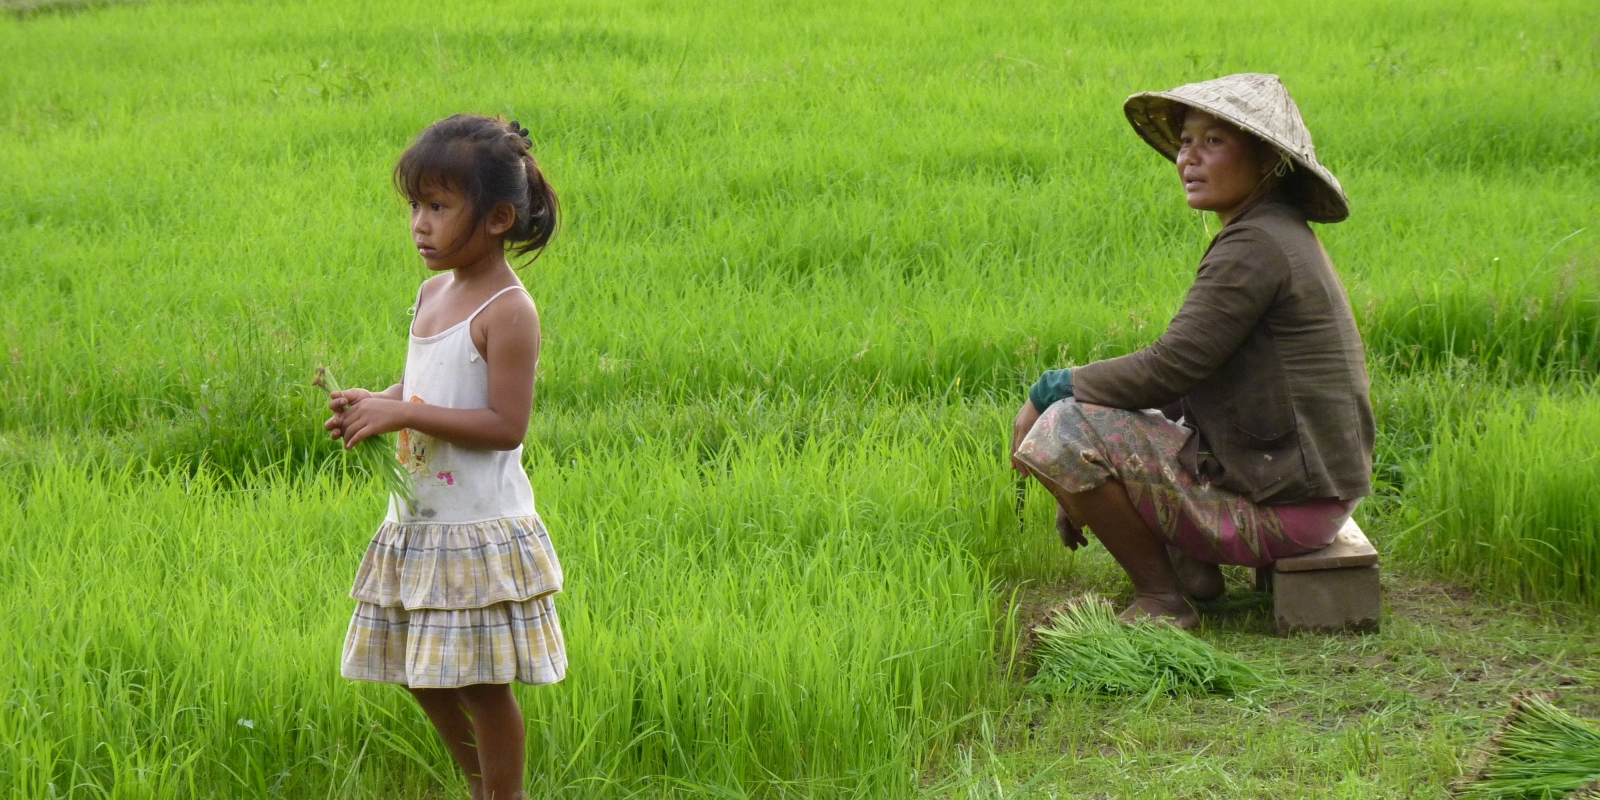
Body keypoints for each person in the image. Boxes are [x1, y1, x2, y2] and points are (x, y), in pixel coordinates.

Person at [1010, 74, 1375, 629]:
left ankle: (1162, 600)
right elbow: (1188, 382)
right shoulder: (1271, 233)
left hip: (1289, 509)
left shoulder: (1255, 246)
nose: (1189, 160)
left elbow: (1167, 368)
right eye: (1185, 142)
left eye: (1213, 142)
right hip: (1307, 491)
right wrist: (1085, 483)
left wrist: (1047, 392)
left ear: (1268, 161)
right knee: (1109, 416)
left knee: (1062, 430)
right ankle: (1190, 566)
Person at [325, 114, 564, 800]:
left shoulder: (509, 311)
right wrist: (381, 400)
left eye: (438, 207)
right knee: (413, 669)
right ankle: (481, 787)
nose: (419, 225)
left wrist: (401, 411)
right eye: (415, 206)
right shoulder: (434, 294)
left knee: (482, 687)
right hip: (421, 521)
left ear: (496, 218)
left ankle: (503, 795)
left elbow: (505, 423)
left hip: (474, 526)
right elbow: (429, 385)